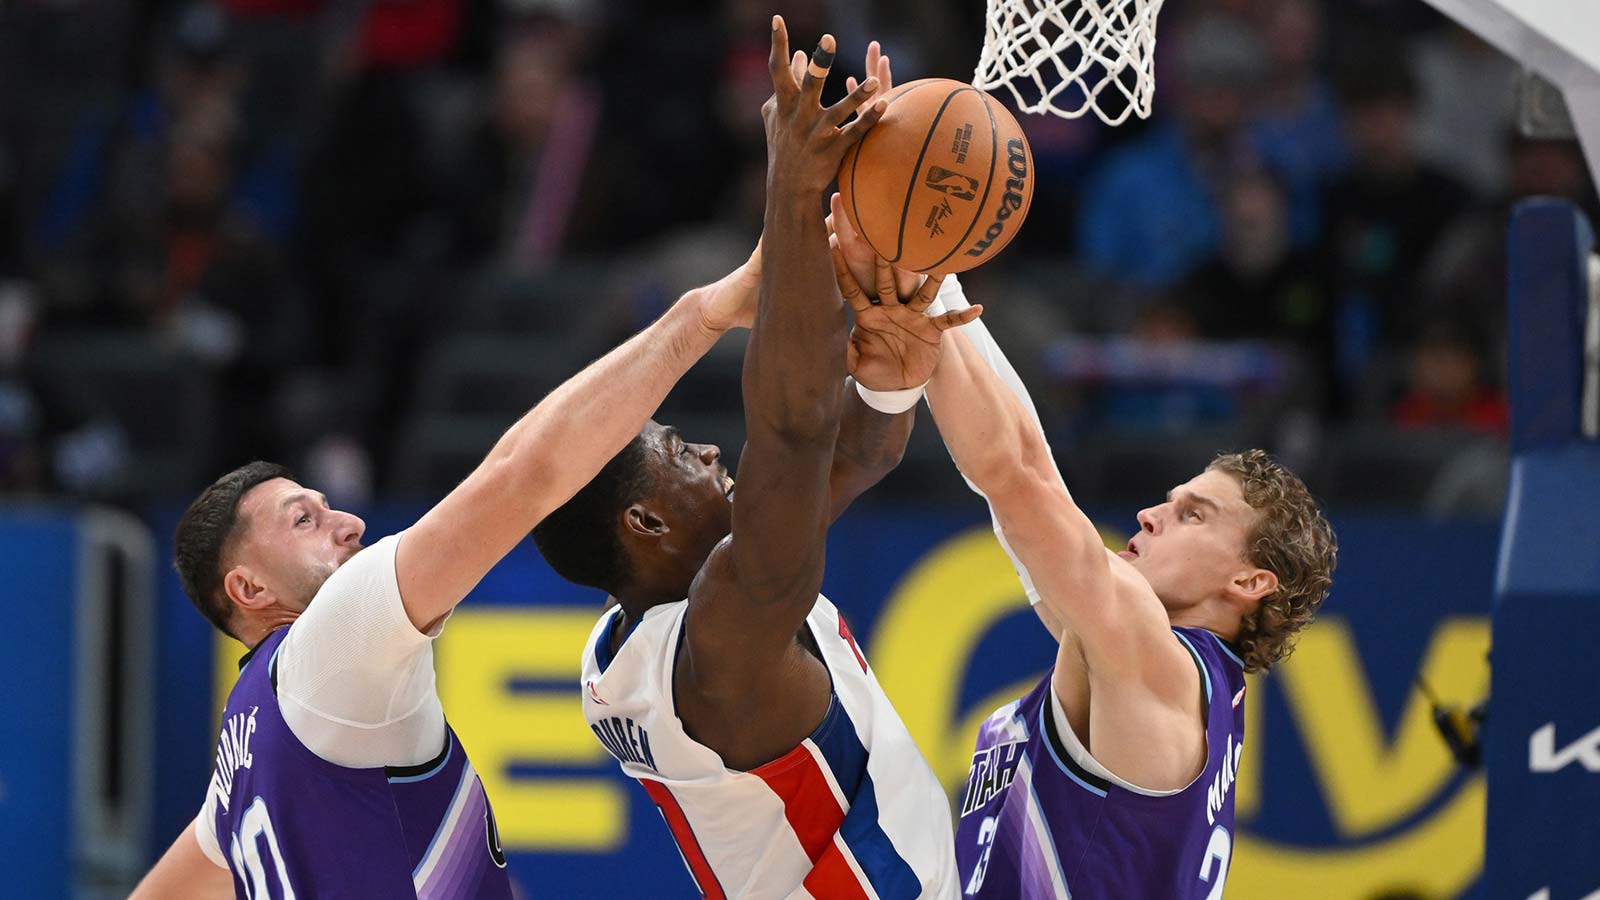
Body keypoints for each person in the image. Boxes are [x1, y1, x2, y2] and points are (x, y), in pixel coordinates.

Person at [129, 236, 768, 897]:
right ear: (249, 588)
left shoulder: (240, 757)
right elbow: (523, 474)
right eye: (304, 521)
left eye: (326, 507)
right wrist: (702, 315)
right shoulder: (329, 643)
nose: (347, 523)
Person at [533, 24, 975, 899]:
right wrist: (796, 186)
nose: (704, 449)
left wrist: (888, 378)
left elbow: (848, 455)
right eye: (675, 451)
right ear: (645, 521)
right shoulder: (724, 647)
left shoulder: (631, 643)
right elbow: (795, 435)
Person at [829, 211, 1338, 898]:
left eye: (1192, 514)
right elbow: (1030, 465)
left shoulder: (1148, 654)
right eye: (1169, 499)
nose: (1150, 515)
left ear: (1250, 579)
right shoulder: (1136, 661)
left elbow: (1013, 477)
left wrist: (922, 280)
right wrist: (933, 276)